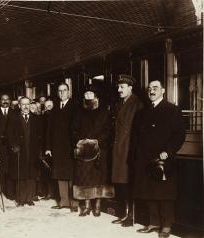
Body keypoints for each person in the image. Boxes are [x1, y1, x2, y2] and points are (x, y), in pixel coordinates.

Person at [132, 80, 185, 238]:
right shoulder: (142, 112)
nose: (151, 91)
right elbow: (136, 137)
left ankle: (166, 226)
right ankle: (154, 223)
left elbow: (179, 134)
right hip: (145, 159)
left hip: (163, 159)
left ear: (163, 90)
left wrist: (168, 151)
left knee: (165, 194)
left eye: (155, 88)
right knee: (149, 191)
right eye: (149, 88)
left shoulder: (172, 110)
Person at [72, 87, 111, 217]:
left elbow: (108, 130)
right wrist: (80, 141)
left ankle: (98, 206)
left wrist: (97, 140)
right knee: (85, 179)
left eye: (91, 93)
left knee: (99, 179)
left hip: (99, 149)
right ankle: (87, 206)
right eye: (86, 93)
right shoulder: (78, 111)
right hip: (83, 150)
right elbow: (73, 129)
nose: (88, 95)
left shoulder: (104, 111)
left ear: (96, 96)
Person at [111, 75, 143, 226]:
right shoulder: (120, 103)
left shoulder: (137, 104)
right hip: (119, 149)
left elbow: (138, 131)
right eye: (118, 87)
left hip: (128, 149)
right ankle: (123, 213)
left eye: (122, 87)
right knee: (121, 183)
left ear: (130, 88)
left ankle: (131, 217)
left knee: (129, 183)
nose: (119, 90)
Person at [45, 83, 78, 212]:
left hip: (70, 146)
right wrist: (48, 147)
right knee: (59, 174)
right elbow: (49, 130)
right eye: (60, 91)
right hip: (57, 147)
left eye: (64, 90)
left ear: (69, 92)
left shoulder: (75, 107)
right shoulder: (54, 109)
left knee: (71, 175)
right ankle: (63, 201)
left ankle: (74, 203)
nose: (62, 93)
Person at [6, 97, 43, 206]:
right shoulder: (13, 118)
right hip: (19, 151)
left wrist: (39, 150)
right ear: (19, 106)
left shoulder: (36, 118)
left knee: (31, 175)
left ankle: (29, 198)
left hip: (32, 151)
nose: (26, 106)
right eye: (23, 104)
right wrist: (13, 146)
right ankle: (21, 199)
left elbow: (40, 135)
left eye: (27, 104)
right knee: (20, 175)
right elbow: (8, 134)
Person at [0, 94, 15, 199]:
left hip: (10, 147)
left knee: (10, 169)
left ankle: (9, 192)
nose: (5, 101)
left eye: (7, 99)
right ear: (0, 101)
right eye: (3, 99)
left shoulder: (14, 112)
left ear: (10, 101)